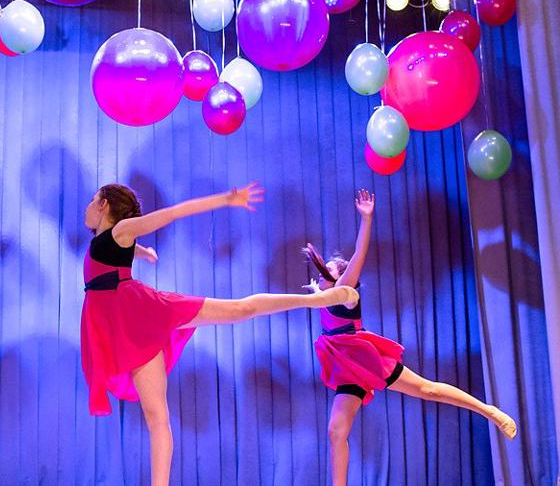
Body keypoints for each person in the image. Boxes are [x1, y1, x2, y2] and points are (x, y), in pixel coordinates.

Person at [81, 183, 359, 486]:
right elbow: (117, 249)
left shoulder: (122, 230)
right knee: (155, 415)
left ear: (104, 204)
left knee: (239, 309)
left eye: (92, 200)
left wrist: (226, 199)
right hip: (125, 327)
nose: (87, 207)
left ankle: (318, 300)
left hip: (141, 312)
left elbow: (173, 213)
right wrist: (143, 251)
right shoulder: (109, 240)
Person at [303, 189, 517, 486]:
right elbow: (319, 294)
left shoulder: (345, 292)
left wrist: (366, 220)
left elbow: (359, 255)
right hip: (347, 370)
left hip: (367, 360)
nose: (324, 272)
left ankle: (489, 411)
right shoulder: (323, 296)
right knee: (336, 431)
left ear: (341, 277)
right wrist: (316, 290)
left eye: (330, 269)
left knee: (427, 390)